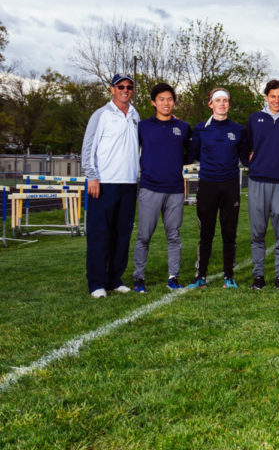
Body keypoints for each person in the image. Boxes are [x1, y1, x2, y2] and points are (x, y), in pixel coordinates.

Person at [81, 74, 140, 298]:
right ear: (112, 89)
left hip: (128, 184)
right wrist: (92, 177)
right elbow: (88, 149)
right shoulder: (101, 115)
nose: (125, 90)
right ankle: (96, 282)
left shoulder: (135, 115)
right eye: (121, 86)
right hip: (103, 183)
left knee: (122, 234)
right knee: (99, 234)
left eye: (129, 87)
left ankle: (115, 279)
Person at [132, 82, 191, 293]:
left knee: (173, 235)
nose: (166, 103)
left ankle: (173, 277)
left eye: (169, 99)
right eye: (161, 99)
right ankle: (138, 278)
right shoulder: (143, 127)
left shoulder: (183, 127)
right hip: (150, 188)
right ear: (153, 102)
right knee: (144, 236)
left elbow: (191, 153)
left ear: (174, 102)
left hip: (175, 189)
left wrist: (174, 161)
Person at [187, 88, 249, 289]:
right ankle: (200, 277)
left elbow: (245, 157)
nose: (222, 104)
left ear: (229, 104)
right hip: (207, 184)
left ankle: (229, 277)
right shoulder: (200, 129)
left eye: (225, 100)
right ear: (210, 104)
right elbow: (192, 154)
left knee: (229, 233)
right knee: (206, 233)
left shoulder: (238, 130)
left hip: (230, 185)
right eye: (218, 101)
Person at [246, 80, 279, 290]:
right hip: (257, 181)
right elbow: (245, 144)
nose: (276, 100)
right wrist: (249, 161)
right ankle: (258, 276)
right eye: (272, 96)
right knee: (258, 232)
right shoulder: (255, 118)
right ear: (266, 97)